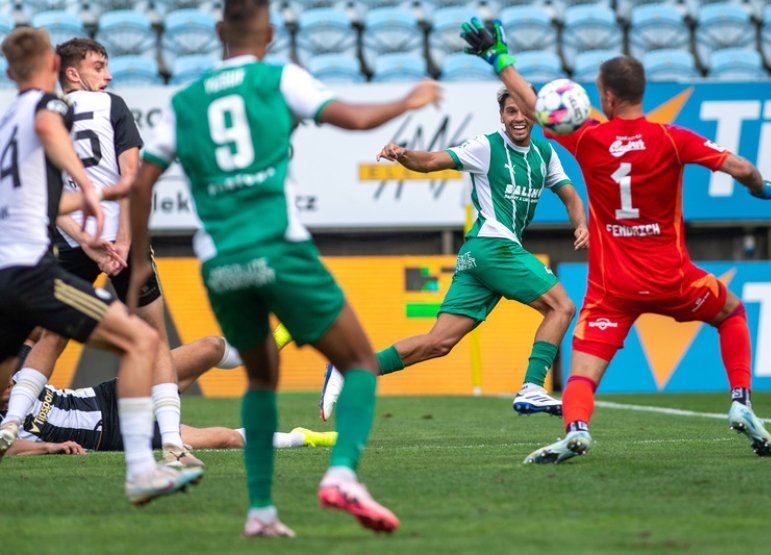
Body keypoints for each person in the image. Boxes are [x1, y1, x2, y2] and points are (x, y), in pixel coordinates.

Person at [128, 0, 441, 538]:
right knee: (359, 362)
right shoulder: (279, 78)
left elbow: (141, 183)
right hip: (279, 248)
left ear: (219, 31)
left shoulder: (184, 100)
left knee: (260, 380)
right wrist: (408, 100)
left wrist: (138, 264)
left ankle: (261, 511)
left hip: (220, 265)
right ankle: (342, 475)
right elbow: (354, 118)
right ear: (271, 33)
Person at [460, 19, 771, 464]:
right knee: (732, 313)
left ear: (608, 98)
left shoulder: (589, 138)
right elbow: (742, 168)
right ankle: (740, 401)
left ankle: (577, 429)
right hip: (673, 279)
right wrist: (761, 188)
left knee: (582, 375)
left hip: (613, 289)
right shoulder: (673, 139)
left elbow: (537, 108)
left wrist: (500, 60)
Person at [0, 27, 203, 505]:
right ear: (59, 70)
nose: (107, 76)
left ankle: (10, 425)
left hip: (33, 256)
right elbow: (125, 171)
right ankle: (162, 452)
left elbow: (44, 200)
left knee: (40, 343)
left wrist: (86, 226)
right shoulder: (64, 106)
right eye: (99, 67)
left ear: (9, 71)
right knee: (146, 340)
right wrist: (96, 197)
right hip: (47, 264)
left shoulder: (7, 120)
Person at [319, 87, 589, 422]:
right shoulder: (487, 147)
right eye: (510, 112)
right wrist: (403, 154)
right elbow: (432, 161)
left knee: (438, 343)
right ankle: (533, 387)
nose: (518, 118)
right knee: (562, 306)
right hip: (494, 247)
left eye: (524, 111)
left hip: (478, 257)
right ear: (502, 116)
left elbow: (571, 196)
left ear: (535, 114)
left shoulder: (544, 152)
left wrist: (581, 224)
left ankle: (351, 368)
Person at [1, 336, 337, 456]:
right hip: (116, 435)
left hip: (112, 395)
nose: (9, 388)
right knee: (224, 439)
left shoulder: (17, 371)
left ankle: (278, 337)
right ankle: (303, 438)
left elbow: (35, 331)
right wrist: (50, 447)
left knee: (211, 347)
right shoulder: (6, 424)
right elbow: (9, 448)